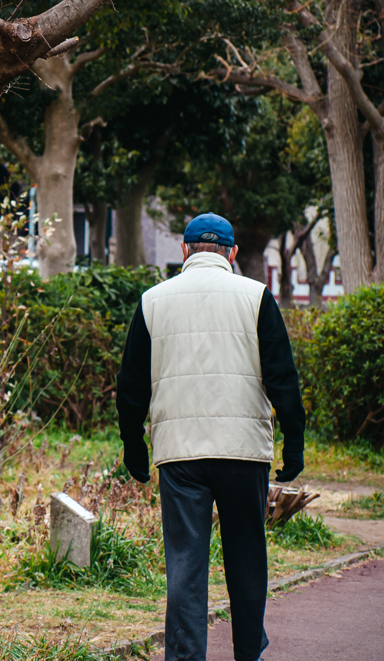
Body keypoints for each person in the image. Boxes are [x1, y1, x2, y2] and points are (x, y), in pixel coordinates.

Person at [115, 212, 305, 661]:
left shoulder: (153, 300)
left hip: (180, 457)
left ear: (184, 251)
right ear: (233, 253)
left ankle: (184, 657)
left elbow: (130, 385)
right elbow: (283, 379)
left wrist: (133, 445)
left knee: (185, 566)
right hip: (243, 453)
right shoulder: (257, 296)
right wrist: (293, 445)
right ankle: (246, 654)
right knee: (246, 560)